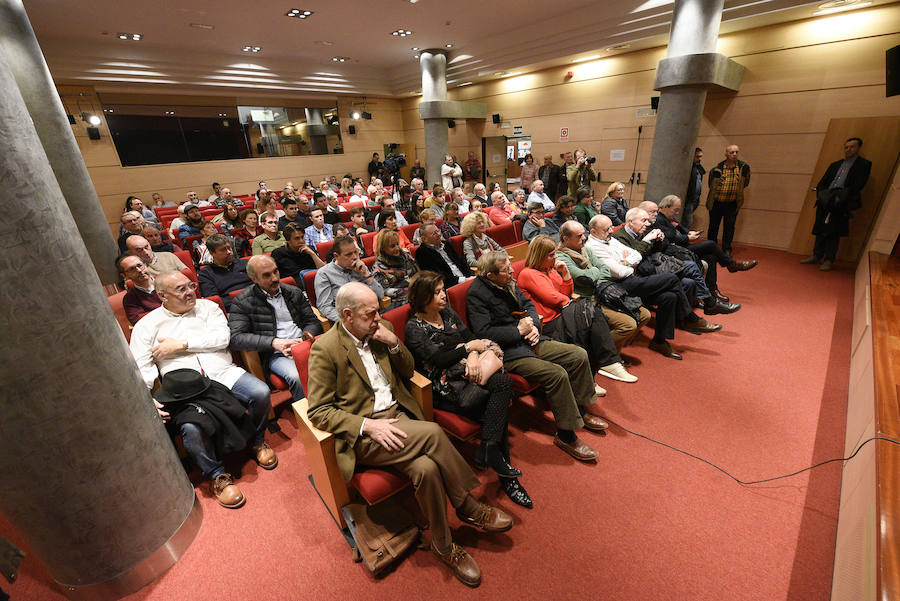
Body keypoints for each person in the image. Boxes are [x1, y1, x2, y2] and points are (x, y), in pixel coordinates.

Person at [307, 282, 513, 587]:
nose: (378, 317)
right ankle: (468, 506)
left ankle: (443, 546)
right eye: (370, 313)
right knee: (432, 433)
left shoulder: (383, 328)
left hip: (399, 418)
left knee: (427, 468)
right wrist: (368, 426)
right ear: (347, 316)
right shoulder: (326, 349)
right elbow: (318, 411)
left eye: (378, 310)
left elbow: (407, 370)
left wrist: (393, 343)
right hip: (366, 434)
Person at [129, 272, 276, 509]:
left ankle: (257, 440)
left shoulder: (209, 308)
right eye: (181, 289)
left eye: (191, 285)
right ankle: (216, 474)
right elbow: (141, 366)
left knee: (260, 392)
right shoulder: (147, 325)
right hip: (186, 389)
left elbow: (221, 338)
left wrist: (181, 345)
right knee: (190, 428)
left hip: (223, 374)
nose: (190, 292)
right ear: (162, 295)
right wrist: (147, 398)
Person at [467, 251, 609, 462]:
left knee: (579, 354)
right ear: (491, 276)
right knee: (556, 373)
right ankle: (566, 434)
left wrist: (533, 325)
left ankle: (580, 408)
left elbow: (528, 306)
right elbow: (484, 331)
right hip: (507, 352)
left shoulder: (507, 281)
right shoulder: (476, 293)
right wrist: (519, 331)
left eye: (509, 266)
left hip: (529, 339)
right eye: (506, 270)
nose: (511, 272)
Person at [405, 271, 531, 507]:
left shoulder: (447, 313)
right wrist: (468, 350)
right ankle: (507, 478)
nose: (444, 296)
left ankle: (490, 449)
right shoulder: (415, 327)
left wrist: (473, 354)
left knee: (504, 384)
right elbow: (439, 359)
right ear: (422, 297)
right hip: (445, 385)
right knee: (495, 409)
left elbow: (471, 337)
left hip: (470, 372)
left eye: (443, 290)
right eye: (437, 292)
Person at [585, 215, 717, 360]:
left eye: (611, 227)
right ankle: (690, 317)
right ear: (593, 232)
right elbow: (620, 272)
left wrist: (625, 261)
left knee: (669, 297)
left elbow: (637, 255)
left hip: (632, 279)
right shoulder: (593, 246)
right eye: (606, 229)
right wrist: (628, 262)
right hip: (616, 286)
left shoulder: (610, 239)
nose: (611, 231)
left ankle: (659, 341)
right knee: (672, 279)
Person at [519, 236, 636, 382]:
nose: (555, 257)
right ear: (539, 255)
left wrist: (566, 274)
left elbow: (565, 293)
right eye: (551, 255)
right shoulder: (528, 273)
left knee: (591, 317)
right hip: (548, 324)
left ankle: (595, 374)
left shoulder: (550, 270)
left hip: (562, 315)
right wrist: (568, 302)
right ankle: (608, 363)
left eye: (555, 253)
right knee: (589, 312)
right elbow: (553, 298)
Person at [227, 255, 322, 402]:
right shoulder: (242, 301)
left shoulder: (292, 292)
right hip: (275, 352)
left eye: (275, 272)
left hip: (304, 343)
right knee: (297, 376)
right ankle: (308, 413)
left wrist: (303, 339)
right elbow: (236, 338)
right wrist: (274, 342)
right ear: (254, 279)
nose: (275, 278)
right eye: (266, 275)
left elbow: (312, 321)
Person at [620, 204, 738, 315]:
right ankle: (706, 304)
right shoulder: (622, 236)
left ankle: (702, 303)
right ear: (631, 221)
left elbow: (664, 243)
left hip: (657, 261)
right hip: (645, 270)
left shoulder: (644, 228)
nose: (654, 216)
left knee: (703, 264)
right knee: (701, 255)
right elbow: (635, 257)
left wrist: (658, 240)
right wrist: (647, 241)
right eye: (651, 213)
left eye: (655, 212)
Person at [557, 220, 651, 352]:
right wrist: (595, 273)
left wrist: (594, 275)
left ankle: (614, 350)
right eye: (579, 236)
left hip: (602, 293)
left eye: (584, 234)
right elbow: (583, 278)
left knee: (645, 314)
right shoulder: (562, 257)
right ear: (566, 239)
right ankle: (602, 355)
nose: (584, 238)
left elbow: (604, 269)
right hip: (586, 300)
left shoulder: (585, 250)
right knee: (628, 325)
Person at [655, 195, 757, 304]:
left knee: (711, 256)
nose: (677, 213)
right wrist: (688, 237)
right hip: (675, 249)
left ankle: (712, 290)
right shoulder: (659, 219)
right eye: (675, 210)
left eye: (678, 210)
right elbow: (670, 236)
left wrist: (690, 233)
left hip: (682, 246)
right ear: (665, 206)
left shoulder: (669, 218)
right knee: (711, 244)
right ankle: (730, 264)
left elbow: (681, 229)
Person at [802, 137, 872, 271]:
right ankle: (816, 255)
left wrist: (841, 197)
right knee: (820, 229)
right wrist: (821, 195)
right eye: (846, 147)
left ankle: (829, 259)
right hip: (826, 198)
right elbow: (822, 182)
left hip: (842, 200)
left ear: (858, 148)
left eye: (852, 147)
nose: (848, 149)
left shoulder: (863, 165)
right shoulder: (835, 164)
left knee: (834, 231)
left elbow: (859, 185)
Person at [314, 236, 385, 323]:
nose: (355, 257)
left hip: (372, 314)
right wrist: (349, 321)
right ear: (336, 256)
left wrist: (366, 275)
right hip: (349, 321)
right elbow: (325, 307)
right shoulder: (324, 274)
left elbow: (380, 295)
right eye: (349, 254)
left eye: (355, 252)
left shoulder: (360, 267)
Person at [706, 144, 751, 256]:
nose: (734, 154)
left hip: (732, 204)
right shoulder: (717, 168)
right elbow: (711, 184)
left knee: (729, 227)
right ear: (726, 154)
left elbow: (745, 183)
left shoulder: (743, 168)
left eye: (736, 152)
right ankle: (711, 248)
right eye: (732, 152)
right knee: (713, 226)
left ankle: (726, 248)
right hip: (716, 202)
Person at [197, 234, 252, 309]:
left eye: (229, 248)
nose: (229, 252)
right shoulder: (206, 274)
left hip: (256, 301)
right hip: (233, 309)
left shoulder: (245, 264)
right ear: (212, 253)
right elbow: (214, 301)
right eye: (223, 250)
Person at [373, 229, 418, 310]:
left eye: (397, 244)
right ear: (383, 249)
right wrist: (411, 291)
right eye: (392, 246)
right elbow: (384, 292)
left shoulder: (406, 257)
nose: (397, 248)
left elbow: (417, 273)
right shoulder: (379, 268)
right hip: (399, 301)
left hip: (417, 292)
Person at [117, 254, 161, 324]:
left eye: (140, 265)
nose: (139, 270)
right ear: (125, 276)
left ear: (145, 265)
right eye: (132, 269)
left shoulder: (167, 282)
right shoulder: (130, 298)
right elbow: (139, 323)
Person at [683, 147, 705, 230]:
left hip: (694, 199)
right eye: (697, 157)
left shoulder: (698, 168)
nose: (700, 159)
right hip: (688, 199)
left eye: (701, 157)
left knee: (688, 221)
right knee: (687, 221)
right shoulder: (688, 168)